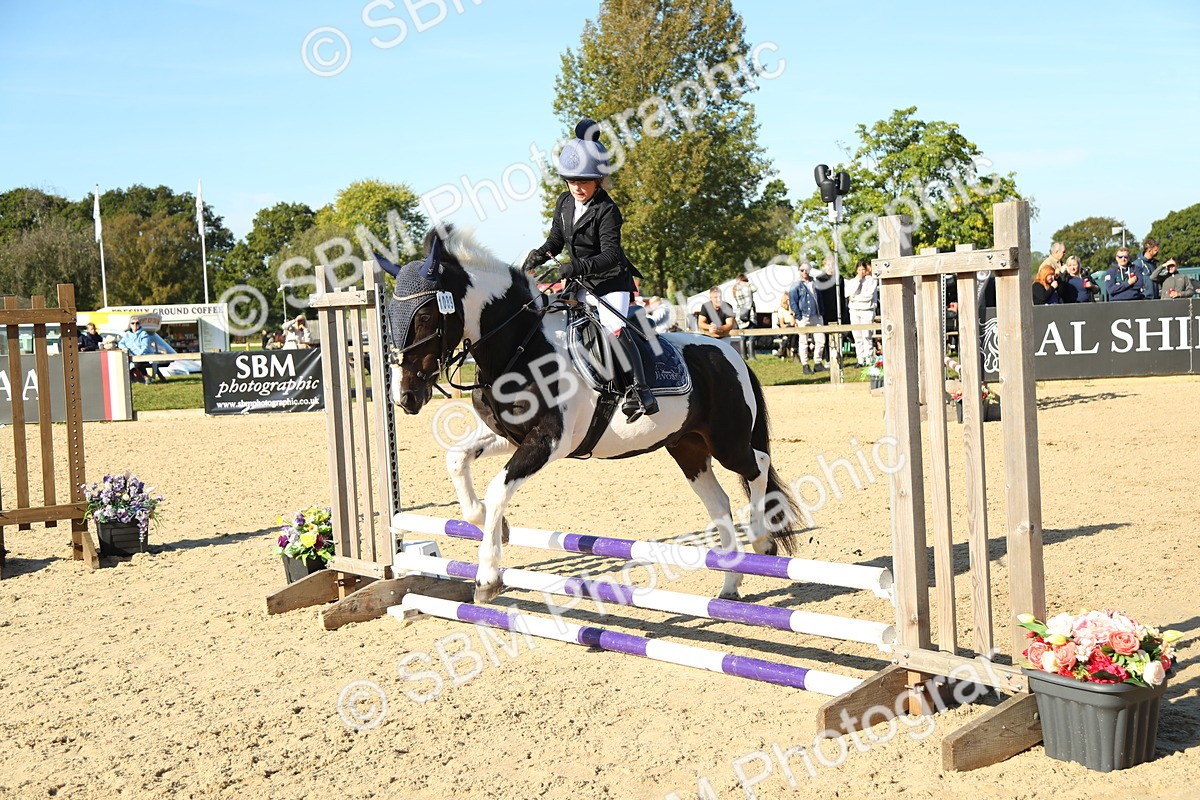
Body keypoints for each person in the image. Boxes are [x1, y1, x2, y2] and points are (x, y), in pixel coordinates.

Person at [523, 118, 657, 421]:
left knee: (612, 328)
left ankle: (640, 390)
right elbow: (556, 240)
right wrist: (540, 254)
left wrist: (575, 266)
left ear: (598, 181)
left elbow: (611, 255)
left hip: (610, 281)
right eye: (572, 181)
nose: (577, 187)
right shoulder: (564, 202)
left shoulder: (607, 210)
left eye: (584, 181)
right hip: (580, 281)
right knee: (554, 321)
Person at [788, 264, 826, 374]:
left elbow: (820, 298)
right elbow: (793, 301)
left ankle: (818, 362)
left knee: (821, 340)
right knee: (803, 341)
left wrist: (821, 312)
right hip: (804, 315)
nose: (805, 272)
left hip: (816, 315)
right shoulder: (795, 285)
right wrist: (798, 316)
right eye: (802, 270)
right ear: (799, 271)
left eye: (807, 269)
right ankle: (805, 364)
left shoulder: (814, 282)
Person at [843, 259, 878, 364]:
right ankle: (860, 359)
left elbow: (868, 296)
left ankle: (869, 359)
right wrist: (858, 280)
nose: (861, 272)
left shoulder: (871, 280)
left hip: (867, 310)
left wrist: (854, 298)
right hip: (854, 310)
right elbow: (848, 293)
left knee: (866, 336)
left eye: (863, 269)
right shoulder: (853, 281)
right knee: (857, 336)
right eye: (859, 269)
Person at [118, 317, 155, 384]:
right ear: (130, 325)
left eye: (137, 323)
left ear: (140, 324)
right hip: (130, 356)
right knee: (120, 362)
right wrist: (125, 348)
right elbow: (120, 343)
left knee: (137, 363)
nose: (135, 325)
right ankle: (129, 380)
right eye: (133, 323)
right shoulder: (127, 334)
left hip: (143, 356)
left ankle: (146, 376)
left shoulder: (144, 334)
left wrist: (138, 356)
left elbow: (145, 347)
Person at [731, 273, 757, 359]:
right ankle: (752, 356)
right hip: (749, 314)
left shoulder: (735, 289)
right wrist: (748, 283)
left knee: (743, 335)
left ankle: (743, 355)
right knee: (751, 335)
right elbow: (755, 288)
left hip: (740, 314)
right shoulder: (746, 288)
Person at [772, 294, 798, 359]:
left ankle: (782, 351)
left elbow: (793, 323)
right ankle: (792, 350)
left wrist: (790, 311)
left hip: (793, 328)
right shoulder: (781, 310)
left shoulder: (793, 309)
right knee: (790, 333)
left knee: (792, 333)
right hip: (786, 328)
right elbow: (782, 324)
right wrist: (789, 325)